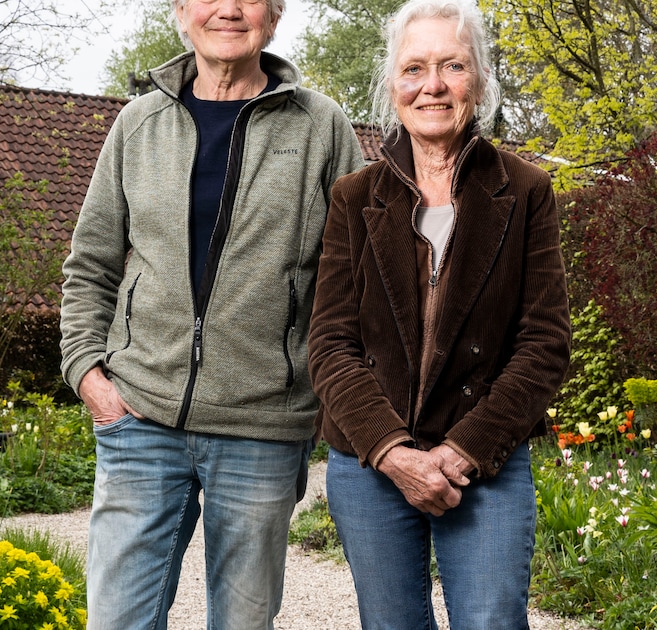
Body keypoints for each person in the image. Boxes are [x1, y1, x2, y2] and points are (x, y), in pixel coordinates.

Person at [59, 0, 365, 627]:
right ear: (180, 13)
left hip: (264, 428)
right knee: (116, 619)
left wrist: (318, 397)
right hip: (139, 419)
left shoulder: (322, 128)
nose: (228, 9)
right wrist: (89, 372)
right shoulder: (137, 124)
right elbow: (90, 265)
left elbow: (355, 282)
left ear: (274, 16)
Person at [307, 1, 571, 628]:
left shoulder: (525, 191)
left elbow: (543, 344)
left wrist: (460, 452)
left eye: (452, 66)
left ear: (478, 81)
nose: (432, 86)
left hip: (485, 460)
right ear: (392, 85)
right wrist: (393, 451)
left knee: (491, 621)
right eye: (414, 69)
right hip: (371, 460)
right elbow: (330, 343)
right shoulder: (353, 198)